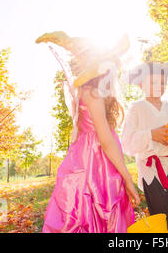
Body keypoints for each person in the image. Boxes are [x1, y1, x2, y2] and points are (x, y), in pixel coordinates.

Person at [38, 31, 140, 233]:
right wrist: (127, 177)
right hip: (95, 162)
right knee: (94, 208)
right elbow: (105, 139)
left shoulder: (86, 91)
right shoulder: (93, 93)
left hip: (85, 155)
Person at [121, 62, 168, 233]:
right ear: (142, 85)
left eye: (161, 83)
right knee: (164, 222)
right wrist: (151, 134)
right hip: (153, 172)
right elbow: (127, 142)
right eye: (152, 83)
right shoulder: (137, 108)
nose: (158, 87)